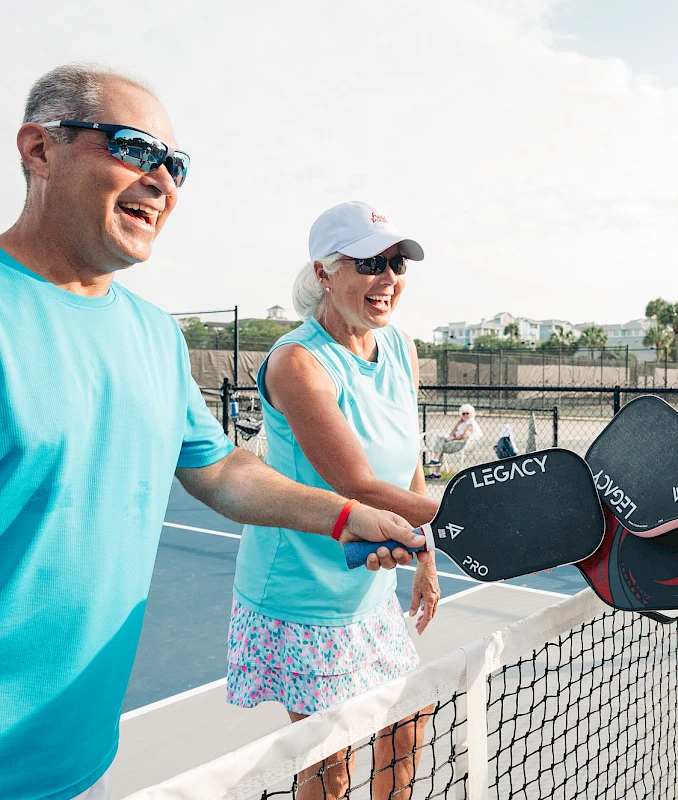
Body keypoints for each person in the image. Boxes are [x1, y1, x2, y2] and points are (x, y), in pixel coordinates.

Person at [0, 65, 424, 800]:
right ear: (39, 149)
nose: (163, 180)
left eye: (176, 165)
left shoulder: (152, 335)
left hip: (82, 758)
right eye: (133, 148)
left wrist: (347, 517)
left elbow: (223, 472)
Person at [228, 201, 440, 800]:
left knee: (407, 722)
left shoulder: (400, 348)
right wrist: (477, 514)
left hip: (369, 588)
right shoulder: (299, 361)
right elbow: (360, 485)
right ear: (323, 272)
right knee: (330, 763)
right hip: (302, 593)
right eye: (370, 262)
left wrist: (426, 559)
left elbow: (410, 465)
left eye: (397, 263)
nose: (388, 278)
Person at [425, 403, 482, 479]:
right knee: (440, 445)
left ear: (471, 414)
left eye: (467, 413)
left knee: (440, 443)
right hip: (458, 442)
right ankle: (436, 466)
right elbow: (452, 434)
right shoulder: (463, 423)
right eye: (463, 413)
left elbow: (464, 436)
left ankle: (436, 463)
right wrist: (458, 423)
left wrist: (451, 439)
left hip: (463, 443)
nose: (465, 415)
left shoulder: (470, 422)